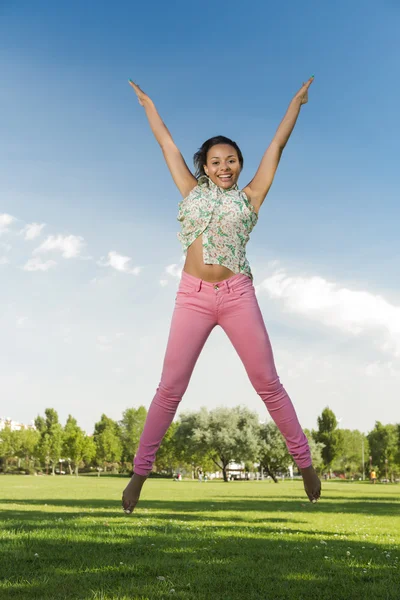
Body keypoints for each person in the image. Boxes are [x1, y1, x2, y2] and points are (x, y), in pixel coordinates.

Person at [122, 76, 322, 514]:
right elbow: (167, 145)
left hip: (236, 295)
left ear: (239, 164)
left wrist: (296, 103)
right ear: (205, 167)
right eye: (215, 161)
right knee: (169, 388)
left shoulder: (250, 198)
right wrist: (148, 105)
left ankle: (304, 463)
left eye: (231, 160)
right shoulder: (191, 192)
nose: (224, 167)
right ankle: (139, 475)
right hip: (191, 297)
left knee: (267, 382)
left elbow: (277, 146)